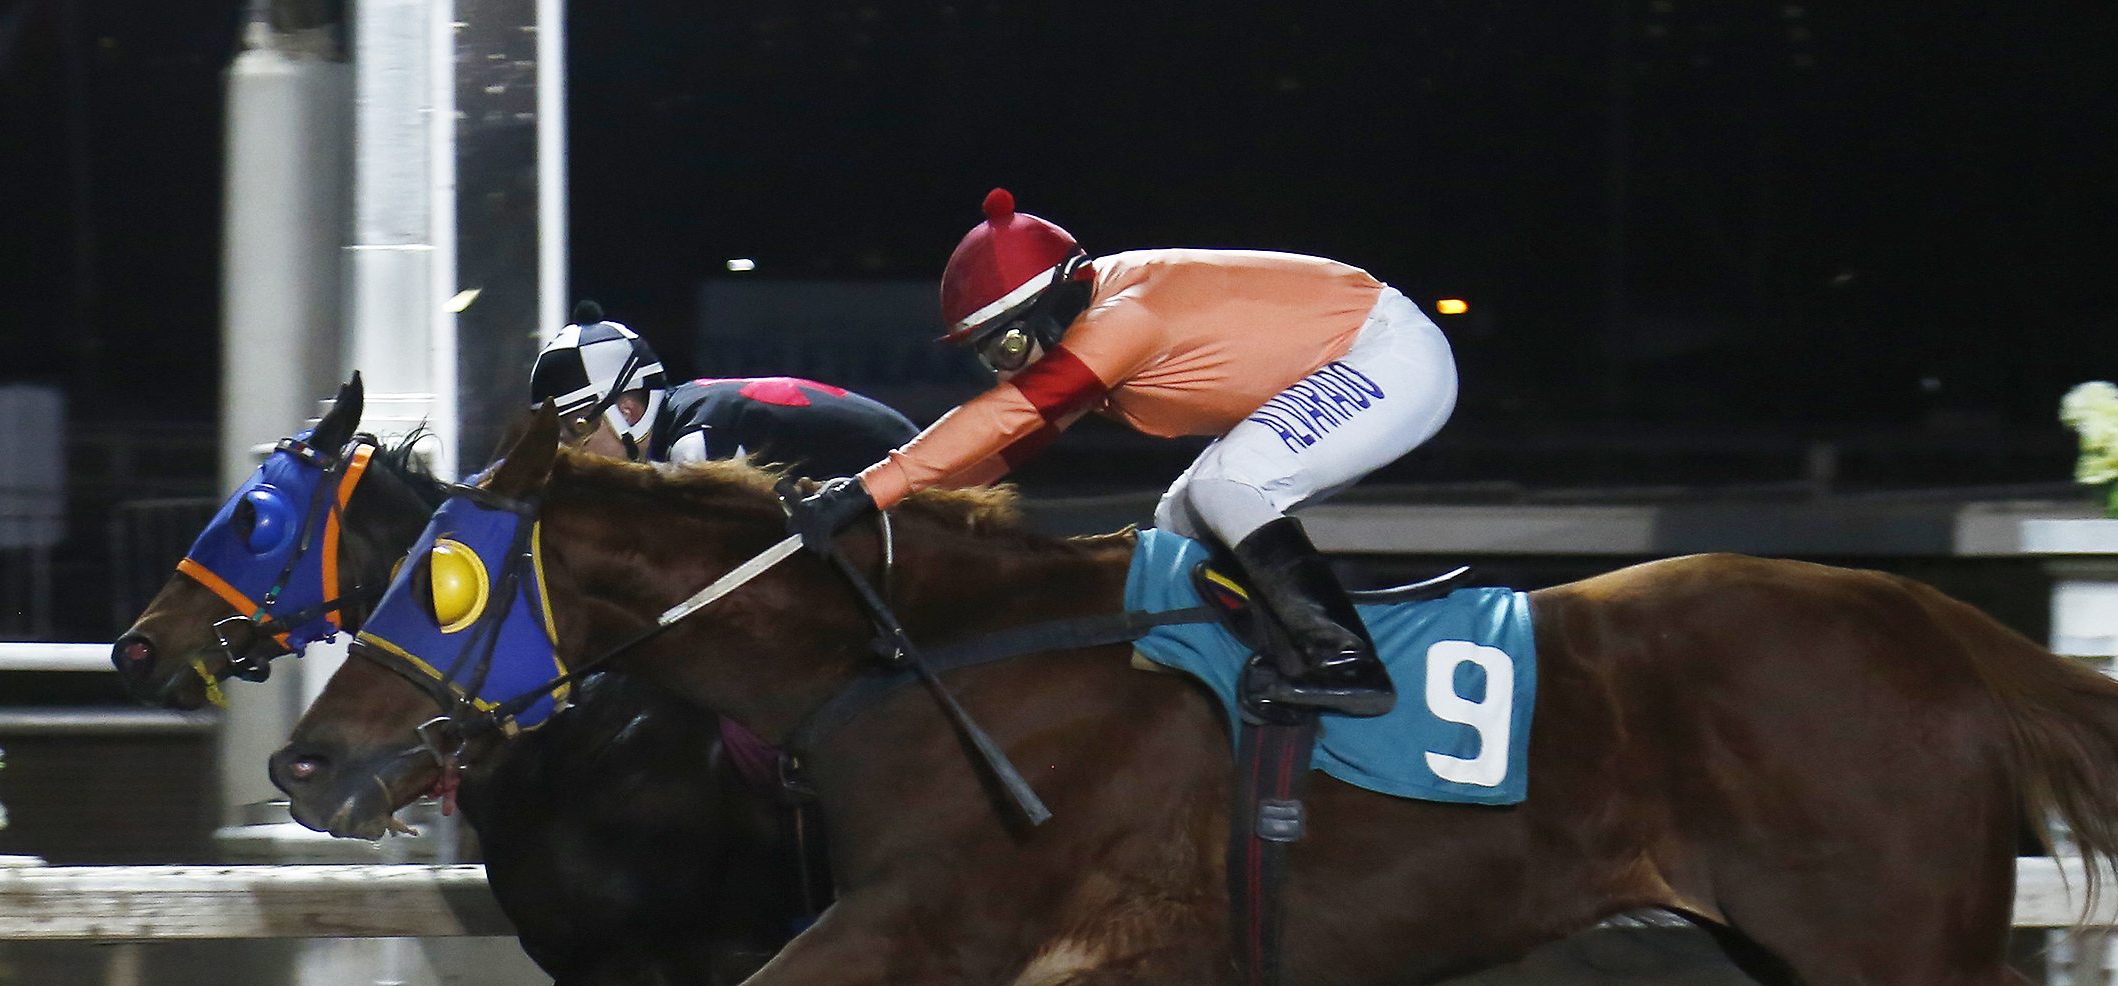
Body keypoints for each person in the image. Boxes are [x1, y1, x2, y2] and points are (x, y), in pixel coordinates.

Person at [784, 190, 1460, 715]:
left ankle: (1347, 664)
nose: (1005, 368)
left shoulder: (1121, 320)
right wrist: (899, 503)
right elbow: (1016, 441)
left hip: (1388, 356)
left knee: (1228, 486)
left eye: (1008, 345)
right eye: (990, 356)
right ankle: (1252, 655)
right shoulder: (1092, 305)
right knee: (1178, 522)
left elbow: (1010, 415)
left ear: (1049, 307)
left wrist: (867, 487)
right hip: (1350, 353)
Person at [529, 302, 917, 480]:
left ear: (626, 411)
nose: (567, 450)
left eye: (576, 429)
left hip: (913, 488)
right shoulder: (688, 416)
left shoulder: (692, 448)